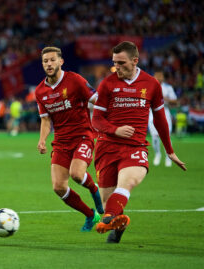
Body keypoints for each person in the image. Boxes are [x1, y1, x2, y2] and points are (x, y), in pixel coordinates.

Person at [92, 41, 186, 243]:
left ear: (135, 61)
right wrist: (115, 129)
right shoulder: (107, 84)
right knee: (108, 199)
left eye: (121, 62)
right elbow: (97, 120)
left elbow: (160, 120)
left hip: (135, 147)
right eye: (114, 62)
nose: (116, 67)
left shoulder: (151, 84)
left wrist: (169, 150)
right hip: (106, 147)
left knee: (129, 182)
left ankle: (109, 219)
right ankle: (118, 223)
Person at [35, 46, 104, 232]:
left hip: (83, 135)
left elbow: (97, 100)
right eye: (45, 61)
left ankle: (94, 189)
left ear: (60, 61)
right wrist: (42, 140)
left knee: (76, 174)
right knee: (58, 187)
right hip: (61, 141)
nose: (49, 64)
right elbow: (45, 120)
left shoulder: (75, 80)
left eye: (52, 60)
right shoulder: (40, 91)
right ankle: (90, 215)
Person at [148, 71, 177, 167]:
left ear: (163, 78)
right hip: (152, 113)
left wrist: (165, 98)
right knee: (155, 136)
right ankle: (157, 154)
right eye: (157, 76)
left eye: (160, 76)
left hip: (165, 112)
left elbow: (175, 100)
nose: (159, 78)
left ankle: (169, 156)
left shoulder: (168, 88)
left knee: (166, 135)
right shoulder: (149, 87)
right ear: (154, 77)